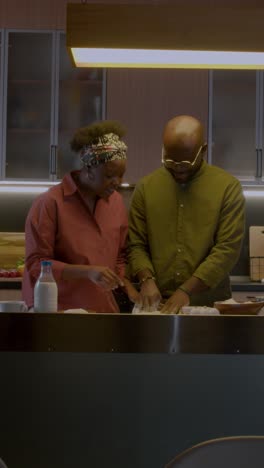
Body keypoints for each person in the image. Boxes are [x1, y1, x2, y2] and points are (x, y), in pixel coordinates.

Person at [128, 115, 245, 314]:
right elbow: (136, 244)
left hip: (209, 306)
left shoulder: (227, 187)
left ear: (204, 150)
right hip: (158, 304)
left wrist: (186, 291)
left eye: (186, 164)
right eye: (171, 162)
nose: (179, 170)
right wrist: (146, 279)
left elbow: (227, 250)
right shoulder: (146, 188)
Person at [22, 120, 139, 313]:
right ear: (89, 169)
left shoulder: (116, 202)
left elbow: (119, 255)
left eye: (121, 175)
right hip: (60, 313)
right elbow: (36, 264)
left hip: (103, 311)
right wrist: (88, 271)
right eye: (110, 175)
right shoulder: (51, 203)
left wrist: (123, 282)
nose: (117, 182)